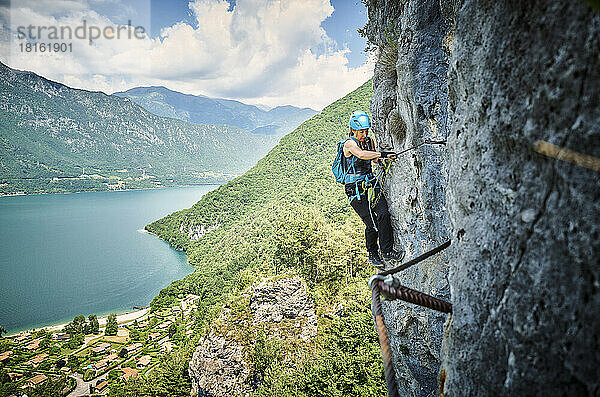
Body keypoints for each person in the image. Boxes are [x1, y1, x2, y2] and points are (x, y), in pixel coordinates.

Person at [343, 111, 405, 268]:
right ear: (352, 130)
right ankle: (372, 253)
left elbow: (373, 157)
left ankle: (387, 251)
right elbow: (362, 155)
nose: (364, 134)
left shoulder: (369, 141)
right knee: (372, 223)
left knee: (383, 213)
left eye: (366, 131)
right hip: (355, 189)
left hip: (370, 182)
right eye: (361, 131)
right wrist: (383, 153)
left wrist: (383, 159)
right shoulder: (349, 144)